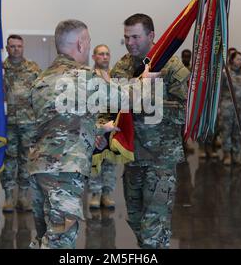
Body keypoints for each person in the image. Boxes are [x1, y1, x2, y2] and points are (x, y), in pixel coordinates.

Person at [27, 19, 155, 249]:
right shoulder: (85, 76)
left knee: (44, 237)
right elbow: (131, 99)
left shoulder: (41, 80)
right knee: (60, 242)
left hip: (38, 171)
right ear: (80, 44)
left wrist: (96, 128)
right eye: (88, 42)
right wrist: (144, 80)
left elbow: (56, 123)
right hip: (64, 173)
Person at [111, 13, 189, 249]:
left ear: (152, 36)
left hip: (161, 159)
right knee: (135, 219)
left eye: (136, 36)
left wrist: (149, 102)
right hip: (133, 157)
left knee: (154, 225)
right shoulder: (122, 66)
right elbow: (111, 103)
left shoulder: (171, 66)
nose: (130, 42)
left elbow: (187, 111)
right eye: (126, 37)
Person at [1, 34, 41, 213]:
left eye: (19, 46)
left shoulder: (33, 68)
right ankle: (9, 196)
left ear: (23, 47)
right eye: (12, 46)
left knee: (26, 160)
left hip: (29, 123)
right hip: (6, 122)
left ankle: (23, 196)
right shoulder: (0, 69)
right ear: (7, 48)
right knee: (8, 160)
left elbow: (41, 94)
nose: (16, 49)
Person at [88, 44, 117, 209]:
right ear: (94, 57)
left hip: (112, 125)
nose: (104, 57)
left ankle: (107, 194)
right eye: (101, 54)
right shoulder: (87, 77)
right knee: (94, 160)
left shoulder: (116, 76)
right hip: (94, 125)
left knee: (110, 161)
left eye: (107, 54)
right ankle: (95, 193)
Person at [219, 51, 241, 166]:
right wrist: (219, 107)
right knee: (226, 131)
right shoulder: (225, 73)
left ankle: (237, 155)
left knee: (239, 131)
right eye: (237, 59)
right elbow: (219, 91)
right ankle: (227, 155)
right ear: (231, 60)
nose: (240, 61)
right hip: (228, 106)